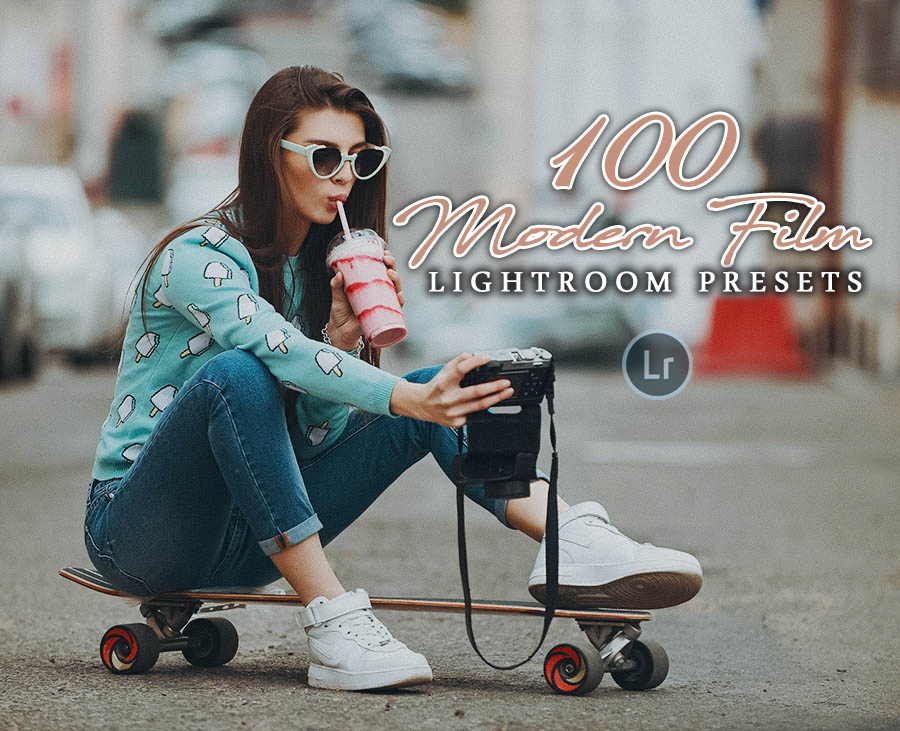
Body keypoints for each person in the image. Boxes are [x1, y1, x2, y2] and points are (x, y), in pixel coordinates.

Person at [85, 65, 702, 692]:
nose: (345, 177)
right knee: (238, 376)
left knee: (436, 387)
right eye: (325, 156)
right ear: (271, 155)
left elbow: (311, 441)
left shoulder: (317, 270)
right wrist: (403, 395)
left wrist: (342, 339)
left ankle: (571, 539)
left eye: (361, 158)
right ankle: (332, 619)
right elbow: (274, 350)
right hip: (140, 534)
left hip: (250, 540)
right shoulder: (198, 257)